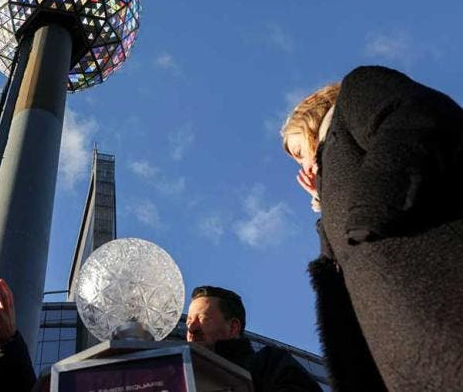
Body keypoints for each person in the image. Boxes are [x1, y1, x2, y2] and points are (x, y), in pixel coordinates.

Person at [282, 65, 463, 391]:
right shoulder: (331, 176)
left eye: (299, 153)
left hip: (436, 287)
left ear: (306, 121)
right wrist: (323, 198)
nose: (303, 165)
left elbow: (417, 115)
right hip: (392, 342)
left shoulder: (354, 94)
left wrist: (368, 215)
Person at [186, 285, 322, 392]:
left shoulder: (271, 364)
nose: (192, 328)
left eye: (203, 319)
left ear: (233, 327)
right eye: (188, 322)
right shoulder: (178, 378)